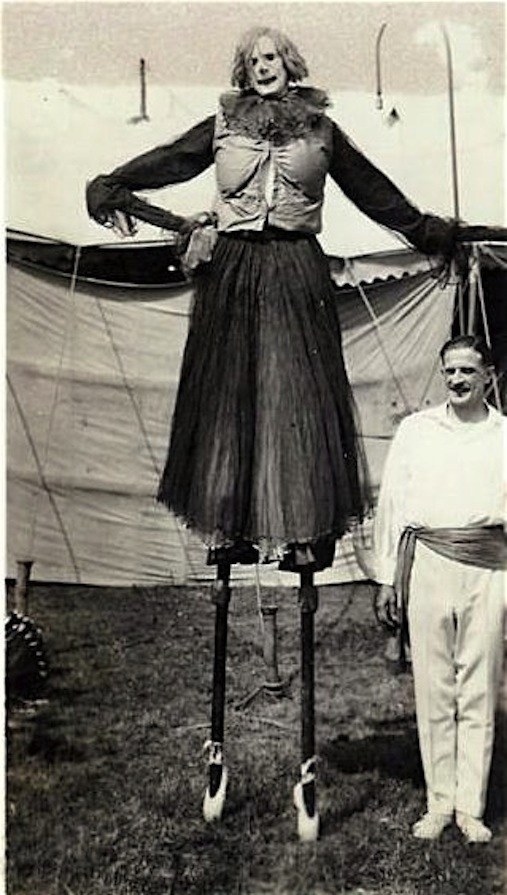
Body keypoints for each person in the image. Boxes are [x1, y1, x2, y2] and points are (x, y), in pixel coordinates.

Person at [86, 26, 462, 575]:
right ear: (244, 71)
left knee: (296, 394)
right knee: (228, 393)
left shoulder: (321, 130)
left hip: (295, 265)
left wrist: (430, 232)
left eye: (271, 58)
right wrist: (113, 185)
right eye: (253, 60)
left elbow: (374, 193)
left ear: (289, 64)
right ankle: (229, 527)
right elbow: (168, 161)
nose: (263, 67)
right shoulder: (222, 124)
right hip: (234, 269)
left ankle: (304, 532)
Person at [374, 334, 506, 843]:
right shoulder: (417, 430)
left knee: (479, 685)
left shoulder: (503, 435)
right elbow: (392, 505)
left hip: (487, 566)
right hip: (427, 562)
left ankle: (470, 807)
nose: (456, 380)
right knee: (433, 687)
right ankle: (439, 804)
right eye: (449, 370)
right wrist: (387, 576)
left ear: (489, 376)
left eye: (467, 371)